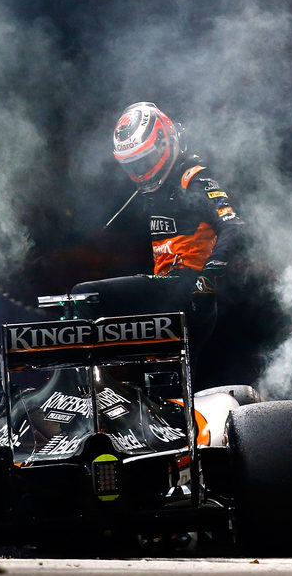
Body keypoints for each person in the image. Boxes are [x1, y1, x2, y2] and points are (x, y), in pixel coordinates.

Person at [70, 102, 245, 379]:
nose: (140, 171)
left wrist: (208, 278)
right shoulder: (157, 186)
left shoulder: (193, 178)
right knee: (167, 390)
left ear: (164, 142)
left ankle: (85, 389)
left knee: (85, 295)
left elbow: (233, 227)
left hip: (187, 291)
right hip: (168, 298)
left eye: (144, 161)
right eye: (133, 164)